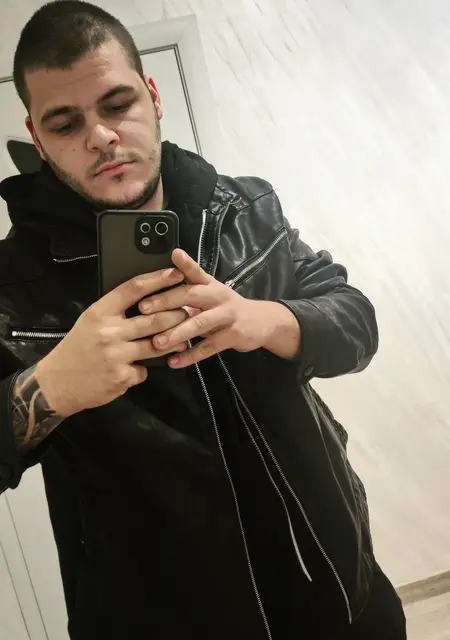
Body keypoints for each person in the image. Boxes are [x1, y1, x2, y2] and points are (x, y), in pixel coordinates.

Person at [0, 2, 406, 639]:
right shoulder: (15, 287)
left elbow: (357, 324)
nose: (100, 136)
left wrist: (263, 320)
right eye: (66, 122)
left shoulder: (245, 207)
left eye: (117, 104)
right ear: (37, 134)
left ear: (153, 94)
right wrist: (50, 386)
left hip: (338, 588)